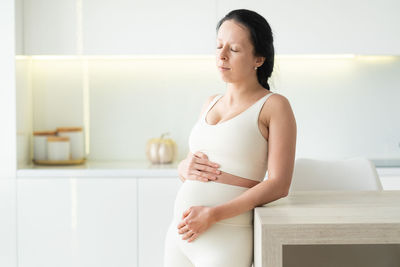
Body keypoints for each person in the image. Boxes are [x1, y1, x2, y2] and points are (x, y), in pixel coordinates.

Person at [163, 9, 297, 267]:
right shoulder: (209, 103)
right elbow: (201, 168)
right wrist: (183, 167)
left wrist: (213, 215)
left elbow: (279, 184)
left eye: (234, 49)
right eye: (218, 46)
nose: (222, 56)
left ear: (258, 58)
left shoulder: (274, 106)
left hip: (225, 235)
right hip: (179, 235)